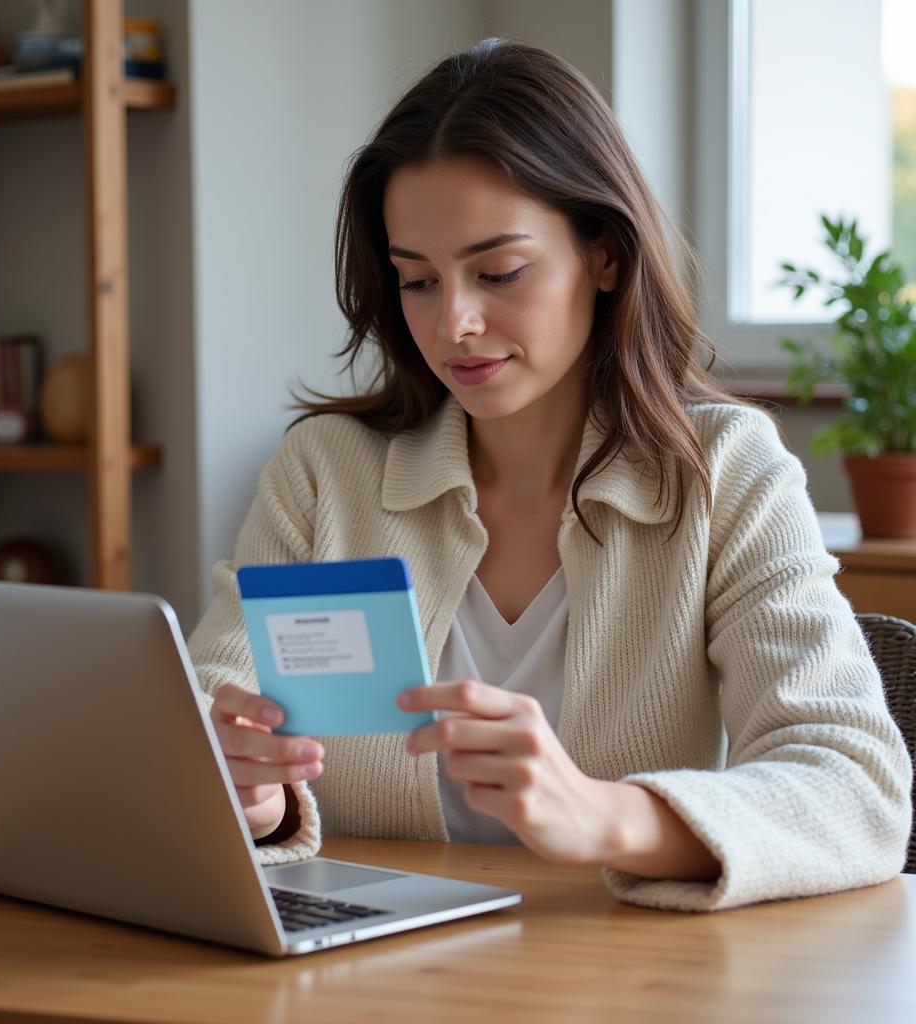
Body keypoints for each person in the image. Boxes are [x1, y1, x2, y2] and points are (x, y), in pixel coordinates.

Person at [188, 38, 912, 910]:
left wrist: (606, 816)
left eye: (500, 272)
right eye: (417, 281)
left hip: (623, 981)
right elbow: (203, 713)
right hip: (358, 976)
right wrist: (252, 799)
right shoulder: (324, 473)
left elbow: (859, 791)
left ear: (604, 254)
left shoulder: (725, 474)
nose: (454, 322)